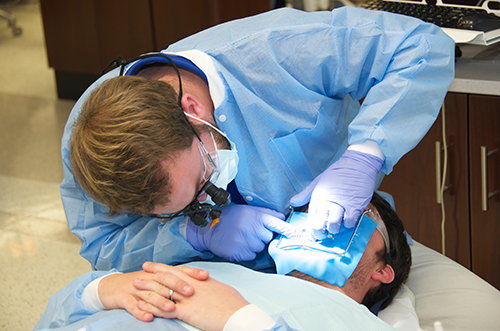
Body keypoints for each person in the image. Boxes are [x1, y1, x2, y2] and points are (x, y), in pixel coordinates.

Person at [60, 6, 455, 272]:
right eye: (182, 208)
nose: (208, 201)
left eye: (202, 181)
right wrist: (191, 233)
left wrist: (366, 155)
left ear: (192, 110)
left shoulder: (281, 51)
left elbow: (421, 46)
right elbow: (104, 245)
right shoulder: (92, 142)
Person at [35, 192, 416, 331]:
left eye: (356, 213)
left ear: (384, 270)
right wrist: (103, 290)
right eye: (311, 206)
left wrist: (243, 321)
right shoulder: (220, 268)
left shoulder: (356, 323)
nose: (323, 215)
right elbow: (55, 316)